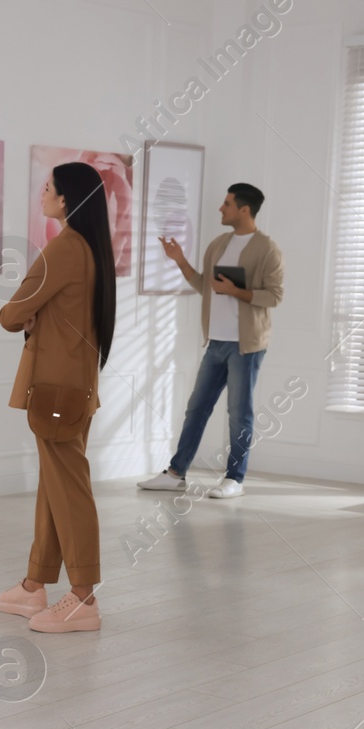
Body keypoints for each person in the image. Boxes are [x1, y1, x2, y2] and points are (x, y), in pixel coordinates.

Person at [0, 162, 117, 633]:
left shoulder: (64, 248)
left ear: (65, 200)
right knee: (54, 486)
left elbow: (12, 313)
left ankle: (84, 596)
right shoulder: (89, 248)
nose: (41, 194)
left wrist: (25, 314)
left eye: (46, 188)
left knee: (69, 490)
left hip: (57, 388)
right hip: (74, 385)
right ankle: (34, 586)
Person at [139, 183, 284, 498]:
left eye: (227, 203)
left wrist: (237, 292)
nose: (221, 208)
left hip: (245, 346)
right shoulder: (218, 244)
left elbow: (274, 296)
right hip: (215, 342)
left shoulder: (267, 248)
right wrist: (178, 259)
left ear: (244, 210)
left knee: (239, 414)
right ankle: (176, 473)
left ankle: (235, 479)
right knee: (197, 408)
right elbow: (205, 286)